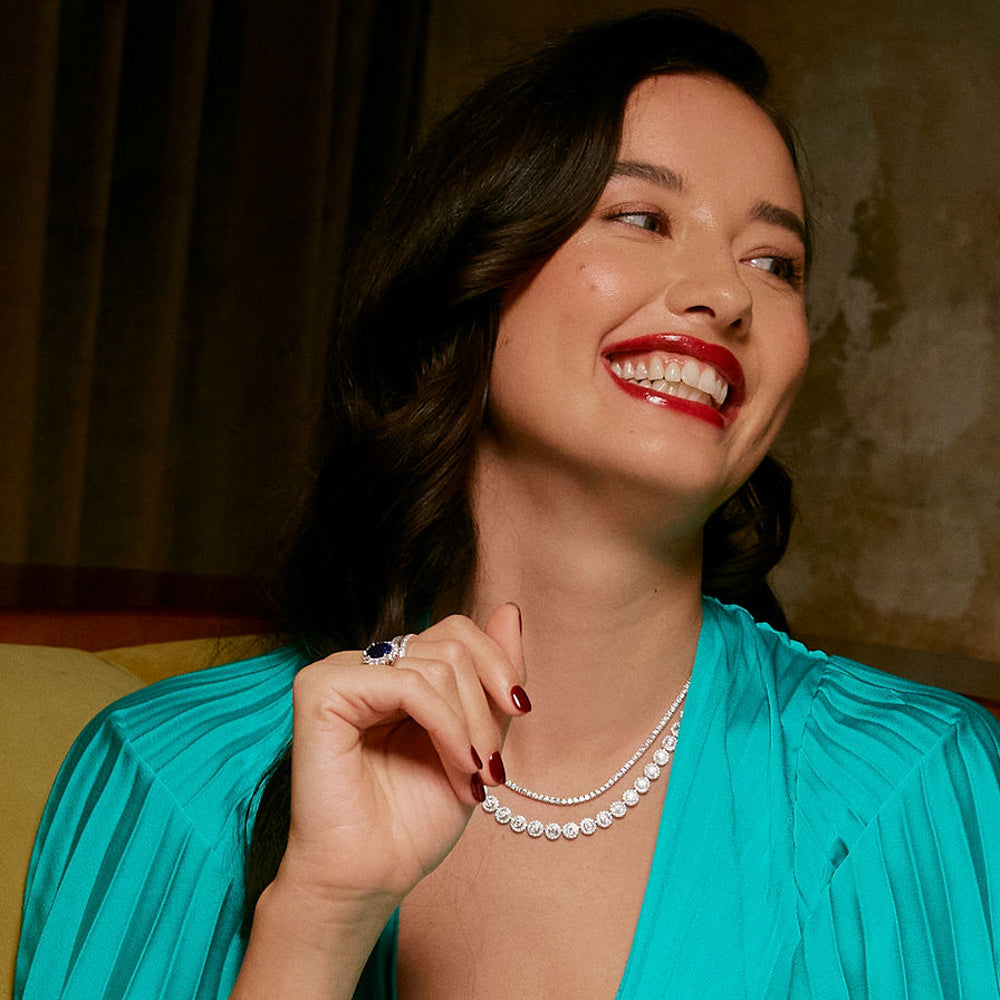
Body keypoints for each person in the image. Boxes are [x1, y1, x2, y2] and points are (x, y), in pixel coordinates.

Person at [15, 9, 1000, 999]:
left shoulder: (916, 786)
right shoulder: (165, 776)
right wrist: (316, 918)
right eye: (642, 218)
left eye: (773, 262)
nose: (726, 295)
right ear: (473, 272)